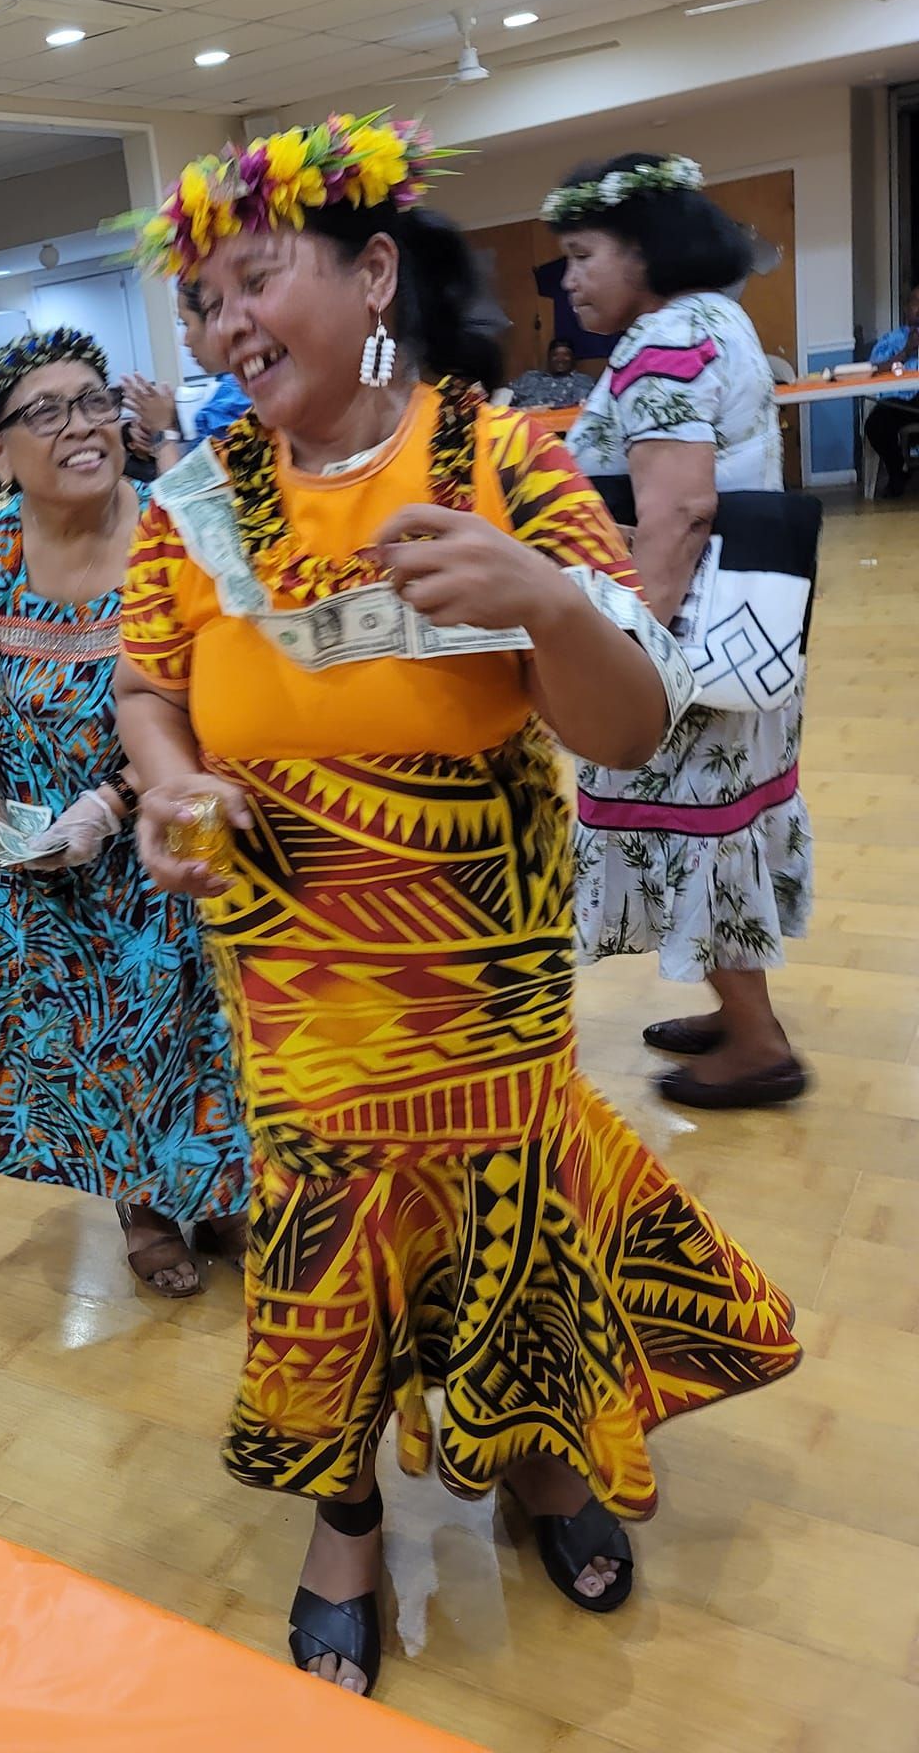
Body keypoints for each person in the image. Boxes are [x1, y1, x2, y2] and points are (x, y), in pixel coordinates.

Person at [115, 115, 800, 1696]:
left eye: (254, 282)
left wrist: (549, 597)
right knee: (320, 1220)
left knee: (509, 1195)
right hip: (291, 955)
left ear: (368, 278)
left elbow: (624, 731)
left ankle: (543, 1459)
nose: (226, 327)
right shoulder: (201, 497)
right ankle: (342, 1510)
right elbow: (153, 687)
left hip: (477, 949)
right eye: (204, 303)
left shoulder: (503, 461)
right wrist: (166, 780)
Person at [0, 330, 247, 1297]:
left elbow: (219, 695)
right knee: (95, 1035)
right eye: (46, 413)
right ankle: (141, 1206)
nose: (81, 427)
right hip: (46, 856)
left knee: (204, 1016)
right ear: (0, 451)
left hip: (174, 816)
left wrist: (113, 799)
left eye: (95, 402)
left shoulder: (177, 529)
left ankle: (222, 1189)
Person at [549, 152, 812, 1108]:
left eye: (583, 254)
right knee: (730, 818)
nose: (569, 279)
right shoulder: (719, 320)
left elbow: (677, 511)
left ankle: (754, 1042)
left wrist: (634, 651)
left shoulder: (662, 338)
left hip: (686, 638)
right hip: (745, 629)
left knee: (695, 825)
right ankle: (746, 1012)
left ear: (644, 250)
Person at [123, 286, 252, 477]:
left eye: (186, 323)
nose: (185, 340)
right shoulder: (230, 388)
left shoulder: (237, 397)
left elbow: (186, 498)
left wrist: (163, 432)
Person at [863, 281, 919, 497]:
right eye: (916, 303)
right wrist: (906, 352)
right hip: (898, 402)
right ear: (906, 309)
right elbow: (874, 369)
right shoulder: (892, 339)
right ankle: (898, 469)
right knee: (875, 424)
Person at [505, 336, 581, 410]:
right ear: (549, 357)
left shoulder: (584, 382)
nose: (560, 359)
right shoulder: (529, 377)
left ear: (573, 358)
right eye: (555, 355)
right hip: (527, 419)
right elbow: (503, 399)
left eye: (566, 355)